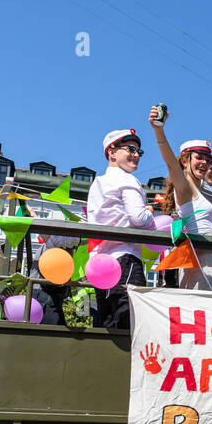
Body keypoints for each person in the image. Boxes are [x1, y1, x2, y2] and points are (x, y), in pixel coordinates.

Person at [149, 109, 212, 292]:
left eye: (207, 158)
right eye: (199, 157)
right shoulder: (185, 188)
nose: (204, 162)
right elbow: (171, 163)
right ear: (185, 161)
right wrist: (159, 130)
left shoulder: (202, 191)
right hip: (201, 258)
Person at [85, 128, 155, 329]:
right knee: (132, 324)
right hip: (125, 260)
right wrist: (150, 211)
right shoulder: (127, 179)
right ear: (112, 152)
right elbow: (139, 217)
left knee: (106, 325)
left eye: (139, 152)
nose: (136, 155)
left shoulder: (97, 183)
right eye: (130, 149)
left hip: (99, 265)